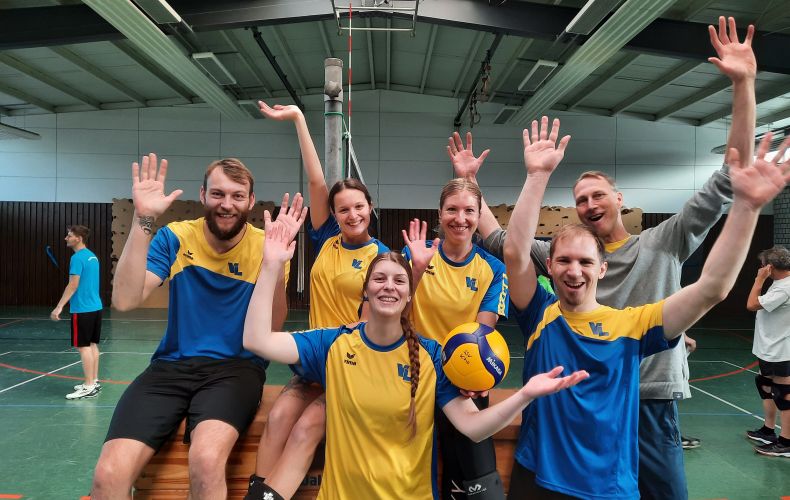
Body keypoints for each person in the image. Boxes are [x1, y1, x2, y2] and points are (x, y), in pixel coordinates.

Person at [450, 17, 757, 499]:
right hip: (566, 399)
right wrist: (471, 182)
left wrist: (743, 85)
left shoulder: (662, 241)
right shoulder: (562, 254)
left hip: (646, 397)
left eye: (598, 195)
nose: (590, 204)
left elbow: (730, 179)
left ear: (619, 199)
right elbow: (504, 241)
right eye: (581, 200)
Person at [504, 117, 790, 497]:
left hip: (607, 485)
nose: (574, 270)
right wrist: (537, 175)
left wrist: (747, 209)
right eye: (564, 261)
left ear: (602, 268)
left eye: (585, 262)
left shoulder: (632, 325)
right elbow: (514, 251)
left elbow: (712, 287)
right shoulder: (540, 314)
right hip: (540, 477)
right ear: (548, 266)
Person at [242, 210, 588, 500]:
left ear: (410, 294)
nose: (388, 286)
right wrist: (271, 265)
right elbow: (257, 340)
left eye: (399, 281)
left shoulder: (432, 356)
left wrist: (525, 395)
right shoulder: (333, 344)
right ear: (366, 291)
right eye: (379, 279)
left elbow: (474, 426)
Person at [90, 154, 300, 500]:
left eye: (237, 195)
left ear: (250, 201)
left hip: (236, 369)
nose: (226, 204)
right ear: (203, 195)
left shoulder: (268, 247)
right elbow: (125, 300)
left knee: (205, 461)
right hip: (170, 367)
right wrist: (143, 220)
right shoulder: (176, 237)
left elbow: (272, 327)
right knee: (107, 474)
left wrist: (273, 267)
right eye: (218, 194)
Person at [247, 102, 389, 500]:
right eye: (343, 209)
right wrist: (298, 119)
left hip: (350, 364)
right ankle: (255, 494)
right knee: (277, 418)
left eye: (359, 206)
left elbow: (370, 324)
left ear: (370, 208)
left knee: (306, 429)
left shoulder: (382, 258)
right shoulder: (326, 237)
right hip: (313, 360)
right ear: (335, 214)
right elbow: (316, 180)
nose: (352, 214)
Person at [402, 178, 509, 499]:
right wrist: (416, 270)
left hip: (462, 376)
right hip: (414, 373)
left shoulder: (492, 269)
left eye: (469, 211)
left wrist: (472, 377)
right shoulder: (417, 254)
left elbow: (482, 335)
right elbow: (394, 316)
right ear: (440, 213)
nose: (460, 218)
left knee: (469, 476)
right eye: (452, 209)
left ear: (478, 215)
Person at [746, 245, 790, 457]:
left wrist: (759, 279)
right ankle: (768, 430)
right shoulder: (780, 283)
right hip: (768, 347)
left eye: (763, 265)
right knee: (765, 385)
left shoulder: (785, 288)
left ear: (769, 267)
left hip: (782, 349)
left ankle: (786, 442)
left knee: (784, 395)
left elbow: (752, 304)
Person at [50, 225, 103, 400]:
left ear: (78, 238)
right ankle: (93, 381)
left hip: (82, 308)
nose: (66, 238)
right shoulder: (92, 256)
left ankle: (88, 386)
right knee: (92, 344)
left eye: (69, 235)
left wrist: (59, 306)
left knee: (83, 346)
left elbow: (73, 285)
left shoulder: (77, 258)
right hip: (96, 307)